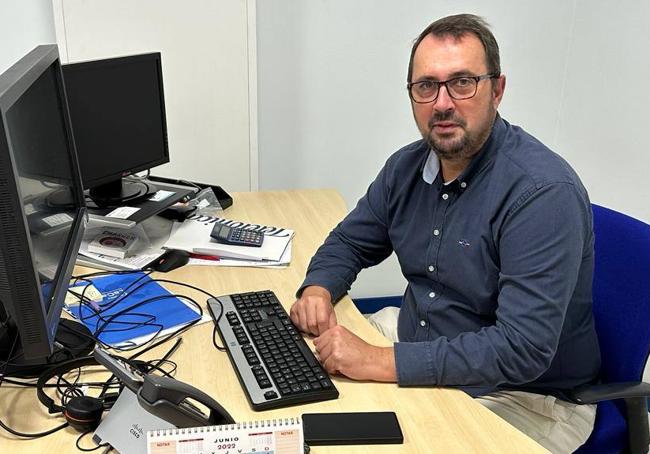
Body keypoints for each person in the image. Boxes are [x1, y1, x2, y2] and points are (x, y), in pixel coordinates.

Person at [289, 13, 601, 453]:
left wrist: (380, 360)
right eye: (426, 86)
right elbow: (350, 241)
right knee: (297, 404)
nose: (442, 103)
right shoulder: (406, 167)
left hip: (529, 395)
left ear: (497, 89)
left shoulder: (542, 193)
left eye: (462, 82)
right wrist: (319, 288)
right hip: (422, 340)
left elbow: (522, 348)